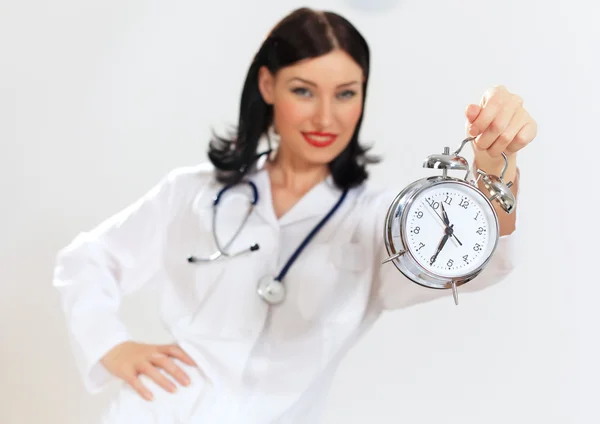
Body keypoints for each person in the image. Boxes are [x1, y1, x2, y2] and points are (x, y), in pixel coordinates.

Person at [52, 7, 537, 424]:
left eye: (346, 93)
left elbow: (475, 259)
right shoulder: (193, 192)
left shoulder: (375, 219)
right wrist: (110, 346)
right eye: (304, 91)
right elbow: (85, 260)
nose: (325, 118)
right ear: (267, 84)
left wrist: (495, 163)